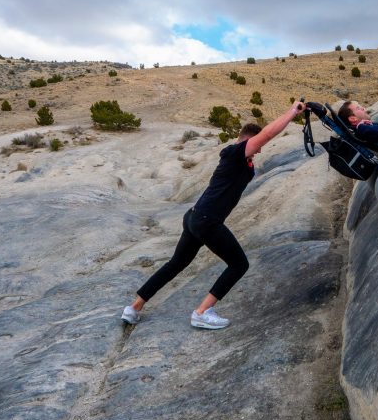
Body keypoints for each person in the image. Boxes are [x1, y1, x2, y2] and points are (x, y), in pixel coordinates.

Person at [120, 100, 306, 330]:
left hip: (194, 217)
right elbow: (267, 134)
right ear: (249, 140)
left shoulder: (238, 158)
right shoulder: (236, 152)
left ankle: (134, 308)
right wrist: (292, 112)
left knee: (176, 263)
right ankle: (202, 312)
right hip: (207, 220)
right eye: (256, 146)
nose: (259, 150)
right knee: (239, 264)